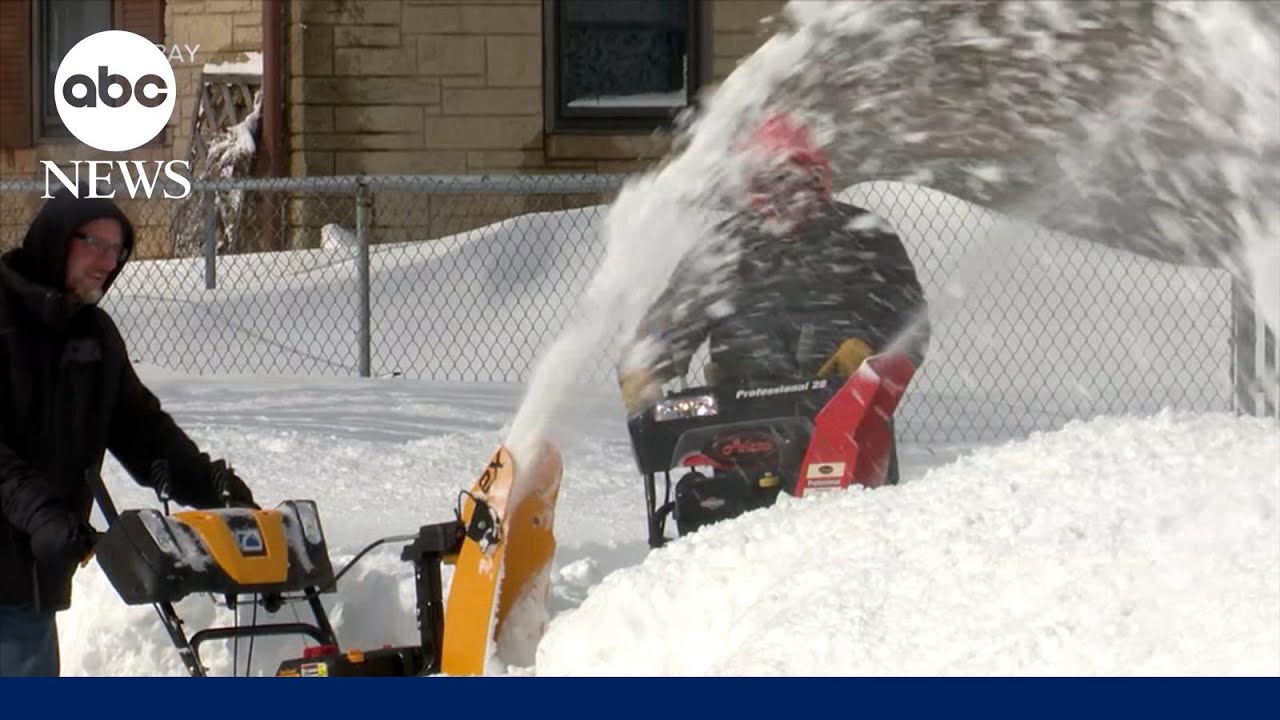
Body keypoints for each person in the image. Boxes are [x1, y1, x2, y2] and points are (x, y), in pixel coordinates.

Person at [0, 187, 258, 677]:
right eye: (95, 243)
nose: (107, 261)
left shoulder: (93, 335)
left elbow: (142, 429)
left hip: (29, 576)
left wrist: (210, 486)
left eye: (116, 249)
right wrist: (43, 515)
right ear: (56, 239)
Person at [618, 112, 930, 484]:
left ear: (819, 178)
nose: (785, 193)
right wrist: (646, 367)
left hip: (845, 420)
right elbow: (673, 320)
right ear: (754, 185)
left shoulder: (865, 237)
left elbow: (910, 320)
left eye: (796, 178)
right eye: (772, 180)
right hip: (739, 424)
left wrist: (871, 352)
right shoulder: (724, 248)